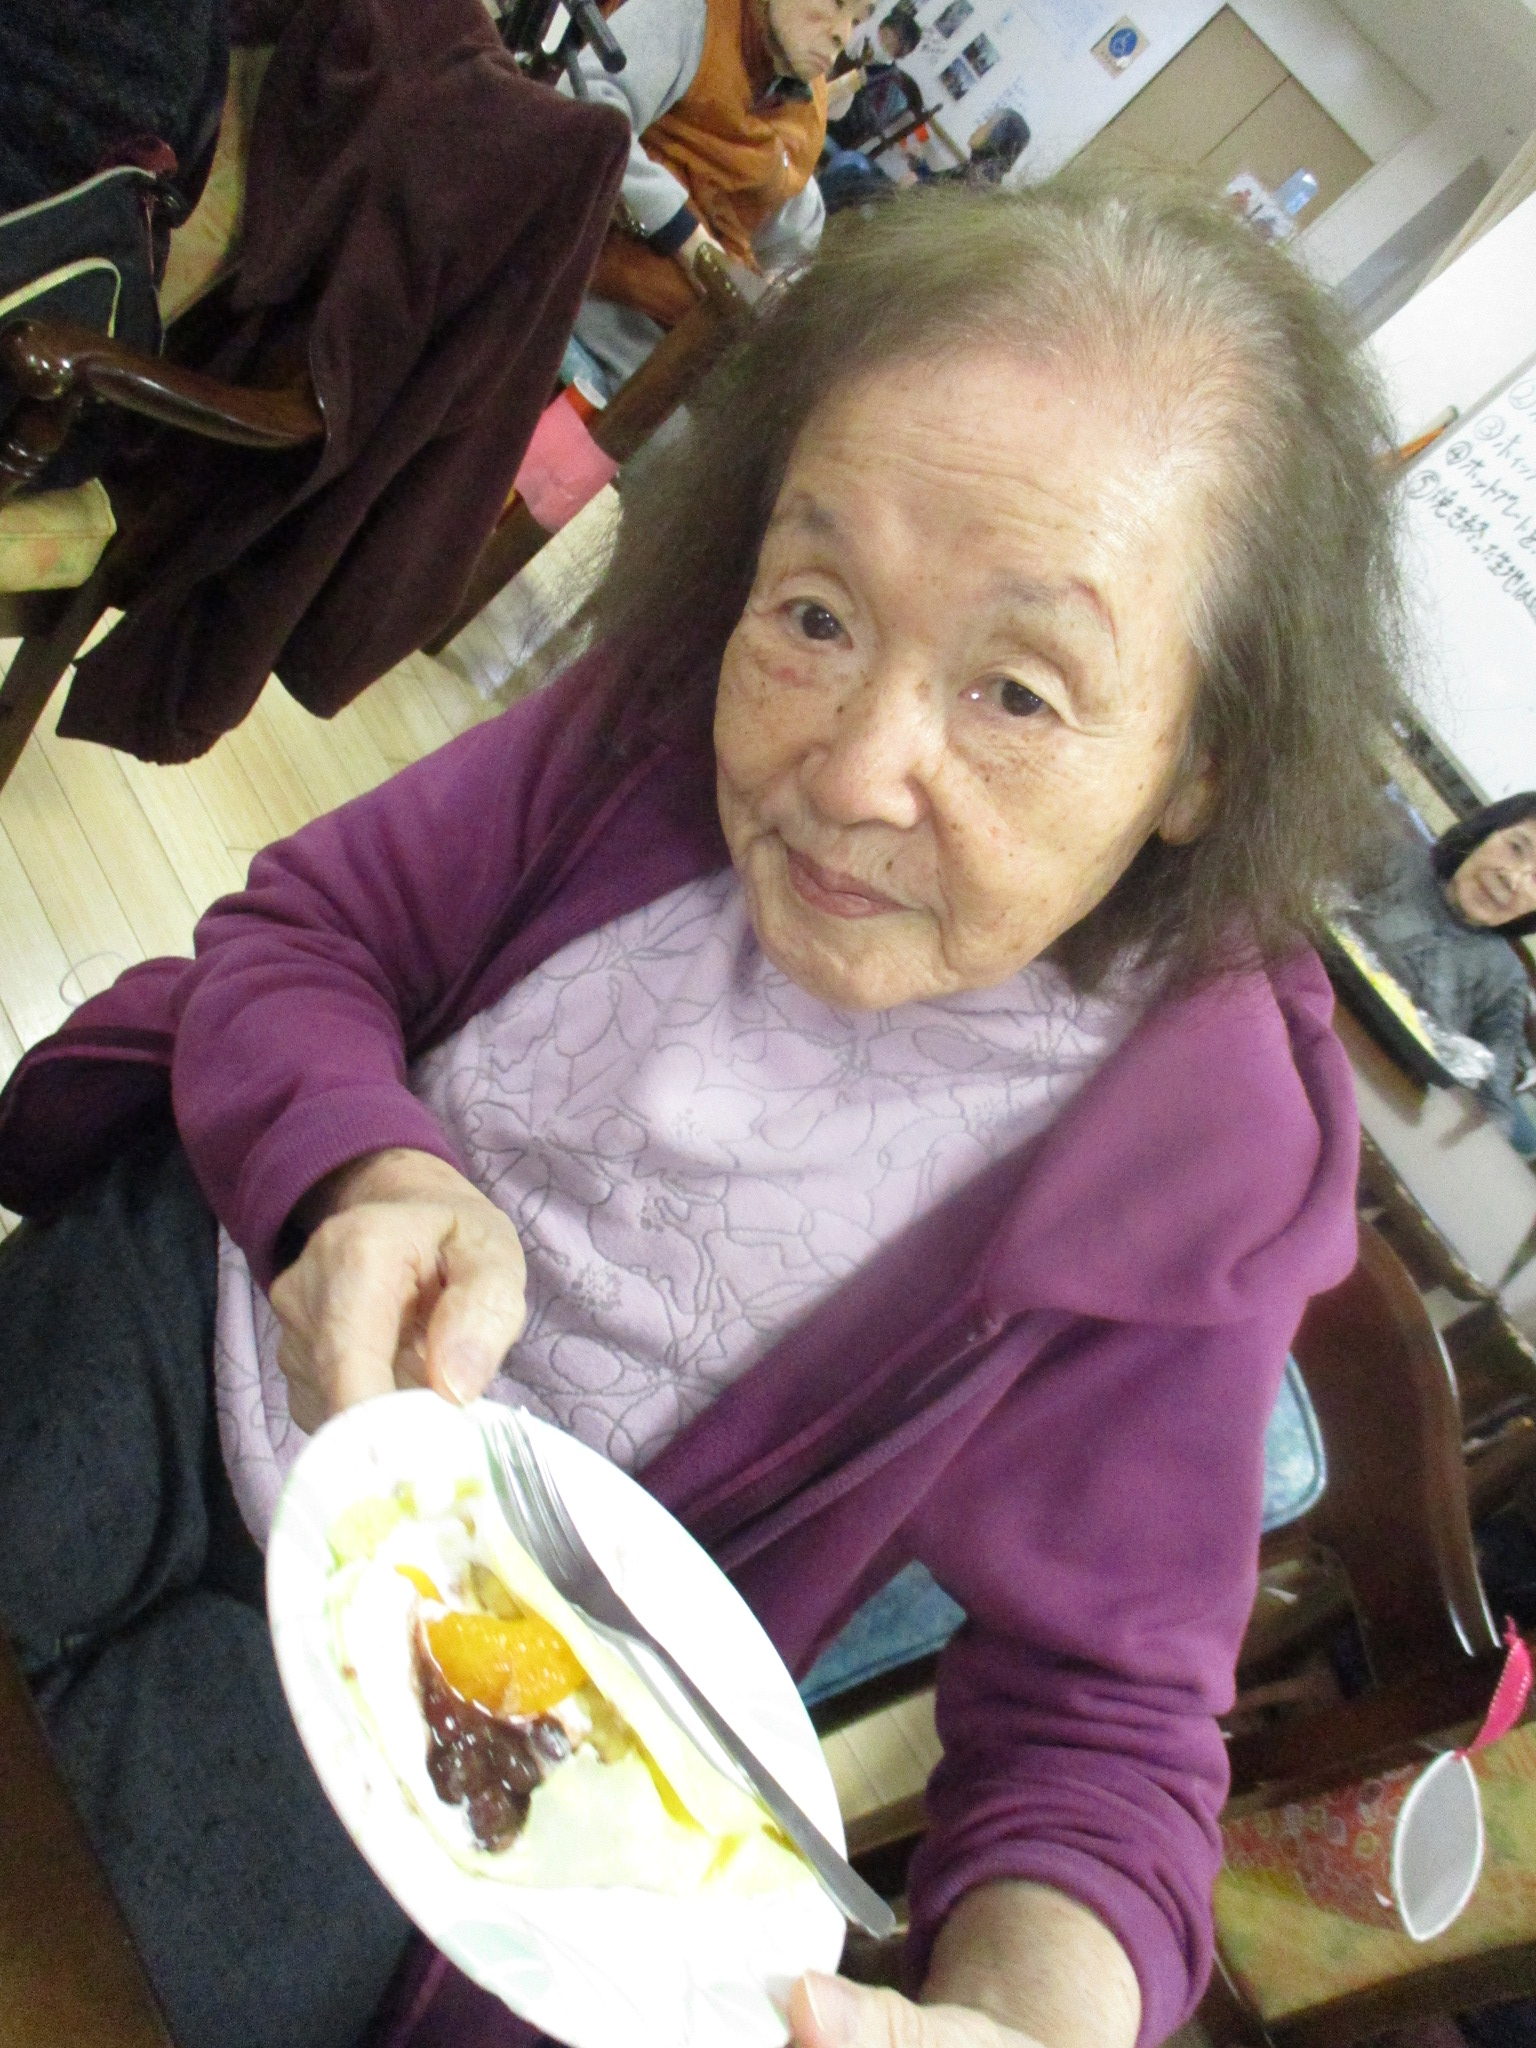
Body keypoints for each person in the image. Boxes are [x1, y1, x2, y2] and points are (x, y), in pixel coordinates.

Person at [0, 172, 1405, 2048]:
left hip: (483, 1698)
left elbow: (1104, 1719)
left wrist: (1023, 2016)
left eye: (1015, 691)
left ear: (1198, 760)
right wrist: (369, 1169)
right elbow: (309, 941)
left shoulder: (1194, 1162)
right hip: (204, 1304)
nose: (854, 766)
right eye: (818, 610)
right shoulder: (658, 724)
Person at [567, 0, 869, 392]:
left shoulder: (806, 104)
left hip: (688, 330)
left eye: (858, 19)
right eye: (836, 2)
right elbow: (585, 108)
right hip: (587, 277)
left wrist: (780, 288)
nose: (842, 34)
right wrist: (686, 236)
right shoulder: (694, 13)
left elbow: (796, 233)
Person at [1348, 794, 1536, 1150]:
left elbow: (1495, 1103)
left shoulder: (1505, 979)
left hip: (1383, 1107)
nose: (1513, 879)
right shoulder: (1386, 857)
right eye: (1515, 848)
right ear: (1483, 833)